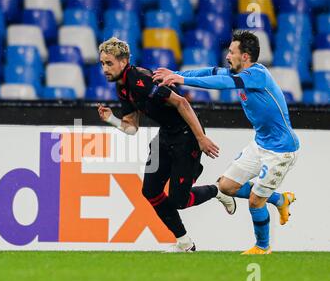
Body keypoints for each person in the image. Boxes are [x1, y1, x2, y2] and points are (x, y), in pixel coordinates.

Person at [153, 30, 299, 255]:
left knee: (255, 202)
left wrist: (183, 80)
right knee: (226, 186)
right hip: (260, 144)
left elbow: (221, 82)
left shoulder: (257, 74)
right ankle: (281, 199)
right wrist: (175, 73)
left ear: (246, 56)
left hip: (281, 150)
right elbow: (210, 72)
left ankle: (263, 247)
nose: (228, 56)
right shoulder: (239, 73)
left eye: (232, 52)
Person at [97, 37, 236, 252]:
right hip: (166, 136)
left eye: (109, 63)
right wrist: (112, 120)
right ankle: (184, 243)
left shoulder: (139, 80)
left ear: (123, 61)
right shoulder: (122, 88)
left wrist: (200, 138)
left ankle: (218, 190)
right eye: (102, 63)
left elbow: (181, 102)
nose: (104, 69)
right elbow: (132, 128)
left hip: (186, 136)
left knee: (179, 200)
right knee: (150, 191)